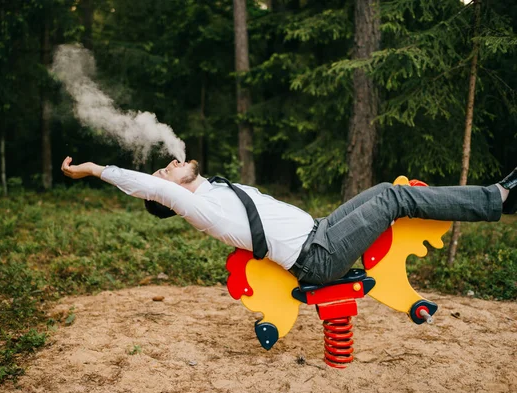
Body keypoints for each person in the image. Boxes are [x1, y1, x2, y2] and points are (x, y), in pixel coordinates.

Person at [61, 156, 517, 285]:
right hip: (317, 258)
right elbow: (152, 186)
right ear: (171, 193)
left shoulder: (210, 190)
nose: (170, 165)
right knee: (396, 200)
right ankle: (498, 198)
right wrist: (93, 170)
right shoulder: (195, 207)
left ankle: (497, 198)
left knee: (384, 190)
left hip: (321, 230)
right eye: (165, 171)